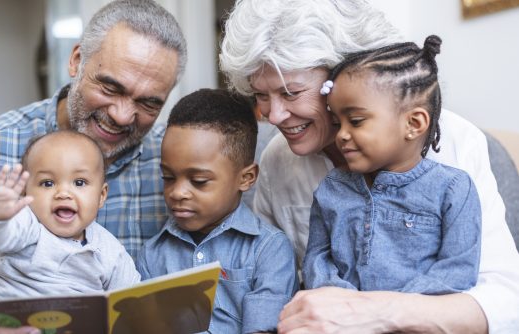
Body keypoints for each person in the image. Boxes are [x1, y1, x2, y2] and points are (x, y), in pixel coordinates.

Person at [220, 0, 519, 333]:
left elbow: (506, 301)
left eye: (292, 92)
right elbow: (275, 280)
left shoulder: (453, 142)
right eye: (260, 96)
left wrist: (373, 312)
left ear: (349, 73)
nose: (273, 116)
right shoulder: (277, 161)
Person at [0, 0, 187, 260]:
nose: (122, 116)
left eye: (148, 103)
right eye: (110, 88)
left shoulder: (176, 164)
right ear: (76, 61)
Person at [303, 35, 482, 294]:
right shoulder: (331, 188)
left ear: (413, 124)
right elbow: (317, 260)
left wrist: (391, 310)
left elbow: (457, 270)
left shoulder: (453, 189)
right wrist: (345, 303)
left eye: (355, 121)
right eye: (336, 123)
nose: (341, 135)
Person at [137, 89, 298, 333]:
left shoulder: (269, 250)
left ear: (246, 178)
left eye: (199, 181)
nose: (177, 192)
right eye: (168, 177)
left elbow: (263, 328)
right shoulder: (152, 255)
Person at [0, 131, 140, 299]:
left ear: (101, 195)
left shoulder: (110, 251)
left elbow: (132, 297)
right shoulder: (28, 224)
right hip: (2, 318)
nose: (63, 193)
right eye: (47, 183)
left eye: (79, 182)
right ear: (25, 192)